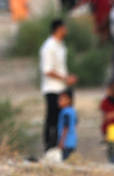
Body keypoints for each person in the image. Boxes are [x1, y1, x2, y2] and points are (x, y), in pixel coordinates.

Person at [39, 18, 77, 152]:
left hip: (61, 88)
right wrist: (66, 78)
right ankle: (50, 146)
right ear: (59, 28)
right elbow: (47, 70)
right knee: (52, 118)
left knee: (63, 118)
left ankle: (61, 145)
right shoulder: (49, 47)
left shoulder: (60, 46)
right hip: (52, 88)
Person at [57, 89, 78, 161]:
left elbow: (66, 127)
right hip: (73, 142)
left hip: (66, 143)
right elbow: (75, 123)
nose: (59, 102)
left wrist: (61, 142)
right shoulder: (73, 111)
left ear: (69, 100)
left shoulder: (65, 112)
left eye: (61, 99)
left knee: (65, 160)